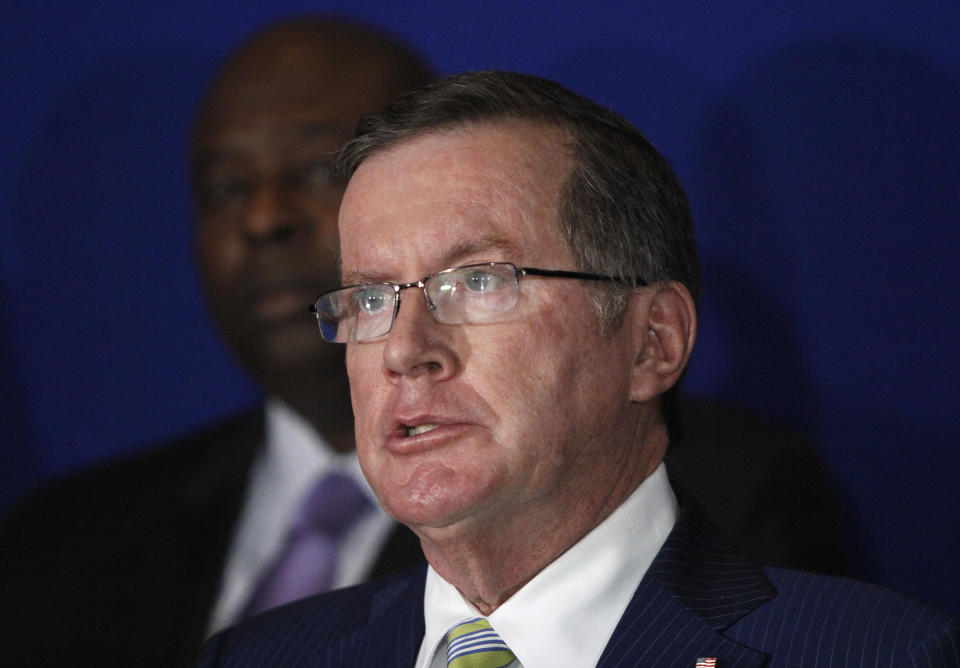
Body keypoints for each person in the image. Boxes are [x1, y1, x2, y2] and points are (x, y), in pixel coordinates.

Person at [200, 70, 959, 667]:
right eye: (370, 298)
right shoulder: (257, 656)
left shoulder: (878, 654)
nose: (403, 349)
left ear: (652, 341)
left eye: (478, 282)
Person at [0, 17, 432, 667]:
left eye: (319, 170)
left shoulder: (575, 516)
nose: (263, 219)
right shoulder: (61, 545)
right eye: (228, 188)